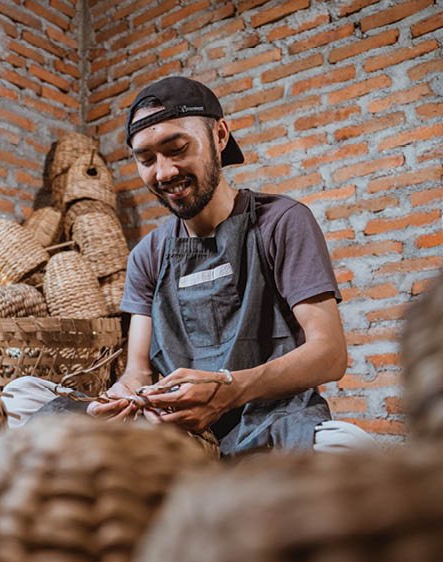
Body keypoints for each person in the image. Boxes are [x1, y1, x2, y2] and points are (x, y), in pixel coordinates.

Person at [83, 76, 355, 455]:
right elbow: (138, 371)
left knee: (351, 447)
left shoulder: (281, 222)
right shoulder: (147, 255)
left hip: (275, 424)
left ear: (220, 135)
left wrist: (230, 388)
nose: (163, 173)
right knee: (24, 398)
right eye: (146, 160)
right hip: (185, 439)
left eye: (177, 149)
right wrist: (122, 398)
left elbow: (330, 353)